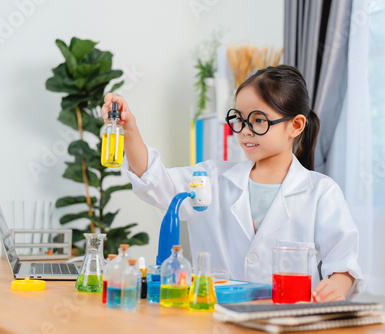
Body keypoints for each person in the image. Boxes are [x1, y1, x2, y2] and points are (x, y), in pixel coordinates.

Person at [102, 65, 363, 302]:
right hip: (216, 317)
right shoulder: (210, 178)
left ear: (295, 125)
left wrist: (336, 287)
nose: (245, 131)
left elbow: (343, 262)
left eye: (259, 120)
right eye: (239, 119)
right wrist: (130, 132)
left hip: (287, 321)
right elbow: (156, 182)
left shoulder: (321, 192)